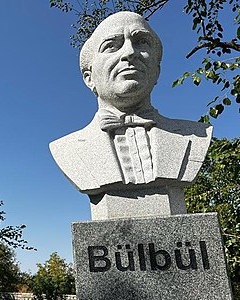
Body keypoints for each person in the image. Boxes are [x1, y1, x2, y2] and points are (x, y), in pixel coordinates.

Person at [49, 12, 212, 208]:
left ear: (157, 71)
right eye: (111, 45)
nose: (129, 52)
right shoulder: (67, 148)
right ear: (89, 77)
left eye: (141, 41)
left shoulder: (197, 136)